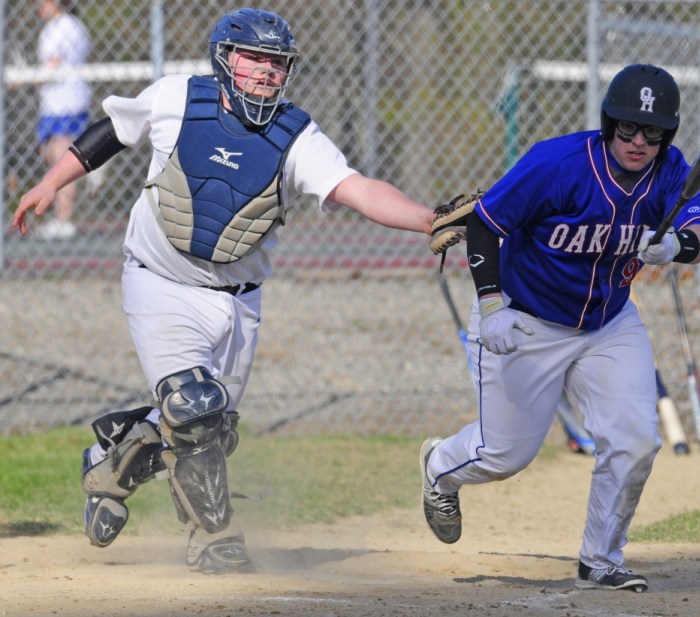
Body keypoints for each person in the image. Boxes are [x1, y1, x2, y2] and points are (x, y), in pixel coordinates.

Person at [14, 8, 435, 574]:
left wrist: (429, 220)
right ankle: (213, 538)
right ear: (225, 59)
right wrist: (48, 182)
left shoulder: (295, 135)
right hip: (159, 282)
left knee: (212, 434)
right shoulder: (178, 98)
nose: (265, 72)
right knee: (194, 409)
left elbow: (358, 190)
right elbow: (113, 132)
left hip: (237, 300)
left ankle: (110, 464)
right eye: (253, 58)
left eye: (276, 63)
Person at [421, 64, 700, 593]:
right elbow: (484, 225)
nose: (639, 141)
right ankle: (440, 466)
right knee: (504, 454)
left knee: (634, 440)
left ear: (666, 135)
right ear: (608, 124)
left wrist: (676, 246)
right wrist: (491, 306)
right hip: (524, 315)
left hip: (608, 321)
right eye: (627, 127)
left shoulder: (670, 170)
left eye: (652, 132)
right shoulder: (557, 163)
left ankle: (601, 559)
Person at [35, 0, 92, 239]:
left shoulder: (64, 27)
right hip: (53, 103)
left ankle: (63, 218)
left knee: (62, 159)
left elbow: (54, 65)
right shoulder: (61, 26)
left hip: (65, 102)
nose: (38, 6)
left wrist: (29, 79)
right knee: (48, 153)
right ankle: (93, 170)